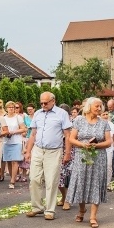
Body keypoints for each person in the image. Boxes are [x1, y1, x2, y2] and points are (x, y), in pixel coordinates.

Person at [24, 92, 72, 220]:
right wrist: (28, 151)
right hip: (38, 149)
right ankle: (37, 207)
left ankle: (50, 210)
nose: (43, 105)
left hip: (54, 151)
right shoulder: (38, 114)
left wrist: (67, 153)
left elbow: (67, 135)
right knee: (34, 178)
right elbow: (33, 134)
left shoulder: (62, 114)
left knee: (51, 180)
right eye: (41, 103)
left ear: (53, 101)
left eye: (46, 103)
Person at [66, 97, 112, 228]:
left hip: (98, 157)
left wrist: (96, 146)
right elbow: (71, 139)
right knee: (82, 182)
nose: (99, 108)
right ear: (89, 107)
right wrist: (82, 144)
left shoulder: (104, 123)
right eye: (96, 106)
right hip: (82, 155)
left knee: (95, 183)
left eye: (100, 106)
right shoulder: (79, 120)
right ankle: (81, 210)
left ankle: (93, 216)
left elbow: (109, 142)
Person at [2, 101, 27, 189]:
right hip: (6, 142)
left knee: (15, 161)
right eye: (9, 107)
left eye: (13, 107)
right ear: (6, 109)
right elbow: (2, 129)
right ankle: (13, 176)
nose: (11, 109)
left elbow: (24, 129)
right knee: (8, 161)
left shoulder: (18, 117)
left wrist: (14, 132)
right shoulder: (3, 118)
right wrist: (5, 133)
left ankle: (12, 180)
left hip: (16, 141)